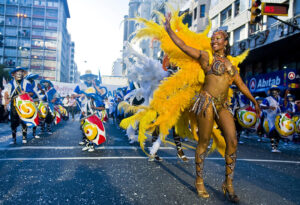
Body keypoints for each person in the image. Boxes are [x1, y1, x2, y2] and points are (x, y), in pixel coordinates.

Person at [164, 13, 260, 202]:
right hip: (206, 102)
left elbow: (241, 85)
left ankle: (228, 184)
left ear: (225, 42)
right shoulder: (205, 57)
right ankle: (199, 181)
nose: (213, 41)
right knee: (204, 142)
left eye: (217, 38)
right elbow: (183, 46)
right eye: (212, 38)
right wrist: (168, 30)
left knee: (232, 140)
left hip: (223, 105)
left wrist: (254, 101)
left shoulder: (231, 66)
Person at [2, 67, 34, 144]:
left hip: (24, 104)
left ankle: (24, 137)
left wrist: (25, 93)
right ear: (14, 74)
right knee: (13, 122)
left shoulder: (26, 83)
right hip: (14, 104)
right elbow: (6, 94)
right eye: (17, 72)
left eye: (21, 72)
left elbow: (31, 93)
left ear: (23, 73)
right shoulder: (10, 83)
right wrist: (6, 98)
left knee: (24, 120)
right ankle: (14, 138)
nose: (19, 73)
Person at [260, 86, 282, 152]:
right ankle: (273, 147)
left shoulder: (280, 98)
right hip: (271, 117)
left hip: (278, 117)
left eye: (276, 90)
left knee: (279, 132)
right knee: (272, 132)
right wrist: (269, 107)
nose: (275, 92)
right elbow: (261, 106)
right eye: (273, 91)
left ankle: (276, 147)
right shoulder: (268, 99)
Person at [26, 73, 42, 139]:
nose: (32, 79)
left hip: (35, 101)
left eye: (32, 78)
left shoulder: (35, 84)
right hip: (27, 101)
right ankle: (24, 136)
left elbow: (37, 93)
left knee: (36, 116)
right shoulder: (25, 84)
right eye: (31, 78)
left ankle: (34, 133)